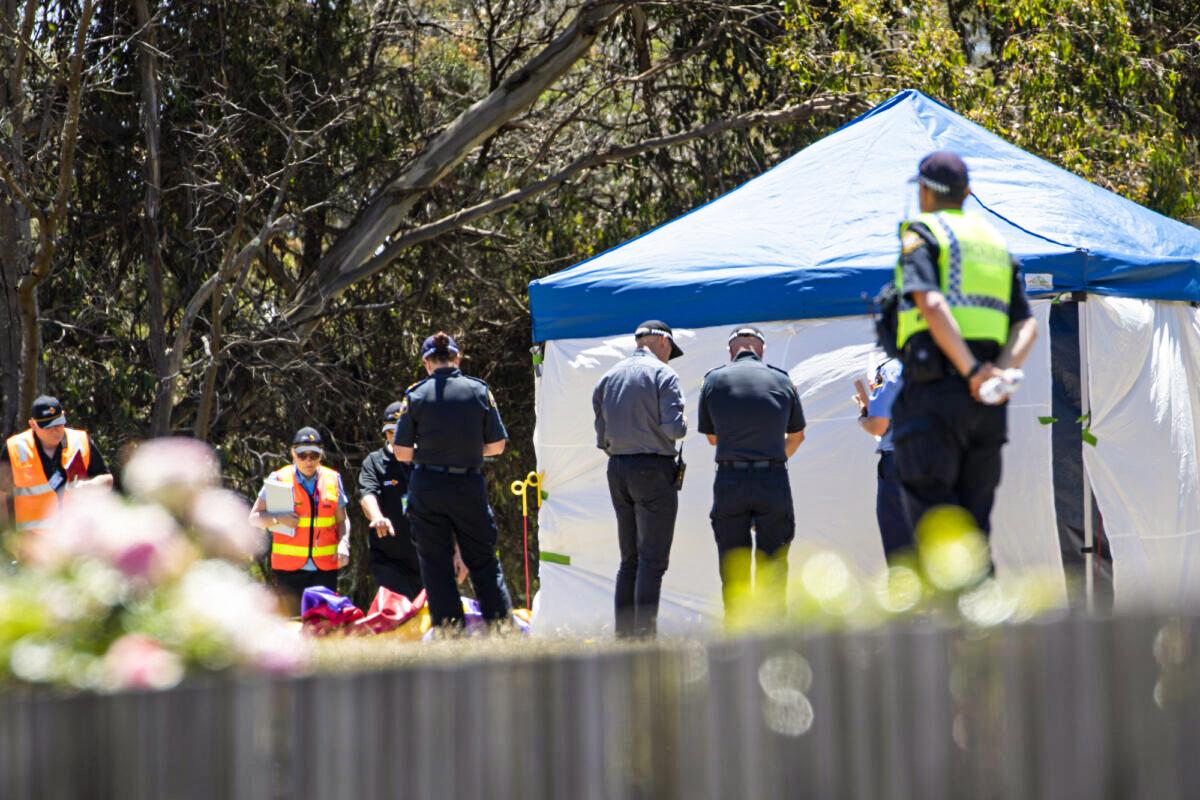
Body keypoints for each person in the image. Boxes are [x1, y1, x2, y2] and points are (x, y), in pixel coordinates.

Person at [890, 151, 1039, 537]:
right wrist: (997, 374)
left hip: (935, 395)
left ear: (925, 192)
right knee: (975, 528)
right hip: (987, 404)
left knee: (937, 531)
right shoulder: (995, 243)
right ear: (966, 192)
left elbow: (931, 303)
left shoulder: (922, 232)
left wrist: (971, 370)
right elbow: (1027, 325)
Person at [392, 332, 513, 629]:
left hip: (428, 486)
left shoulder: (416, 395)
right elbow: (497, 446)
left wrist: (432, 453)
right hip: (467, 485)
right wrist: (464, 451)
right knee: (483, 559)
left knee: (436, 564)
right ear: (457, 358)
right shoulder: (478, 390)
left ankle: (449, 631)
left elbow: (401, 452)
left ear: (427, 363)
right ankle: (500, 628)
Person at [698, 326, 806, 620]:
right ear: (761, 349)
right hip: (772, 479)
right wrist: (770, 456)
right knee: (774, 564)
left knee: (734, 565)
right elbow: (797, 437)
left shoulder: (713, 380)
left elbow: (712, 438)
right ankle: (773, 634)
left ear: (731, 351)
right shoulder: (782, 380)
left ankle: (737, 632)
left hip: (730, 480)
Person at [592, 319, 687, 638]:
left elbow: (601, 437)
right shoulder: (664, 374)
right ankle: (644, 639)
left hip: (618, 470)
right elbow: (674, 429)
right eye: (670, 349)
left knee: (629, 559)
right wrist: (684, 421)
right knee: (652, 560)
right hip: (653, 470)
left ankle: (624, 638)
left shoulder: (608, 377)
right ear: (663, 342)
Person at [358, 401, 467, 600]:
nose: (396, 437)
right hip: (391, 562)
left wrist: (460, 552)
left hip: (434, 559)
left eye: (401, 431)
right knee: (400, 614)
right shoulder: (374, 462)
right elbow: (367, 495)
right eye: (390, 432)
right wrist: (377, 517)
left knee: (438, 616)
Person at [249, 427, 351, 614]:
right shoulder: (279, 478)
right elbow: (254, 518)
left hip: (324, 569)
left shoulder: (332, 479)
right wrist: (278, 518)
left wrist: (343, 543)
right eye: (302, 455)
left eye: (314, 455)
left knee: (323, 625)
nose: (308, 461)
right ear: (293, 453)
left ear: (321, 455)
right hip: (289, 571)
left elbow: (342, 520)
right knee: (290, 625)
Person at [0, 395, 113, 533]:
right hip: (31, 542)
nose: (55, 430)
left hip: (74, 538)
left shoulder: (80, 441)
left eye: (59, 423)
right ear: (33, 425)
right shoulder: (14, 448)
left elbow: (107, 479)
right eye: (48, 426)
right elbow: (2, 498)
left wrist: (91, 485)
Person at [853, 358, 912, 557]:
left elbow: (878, 425)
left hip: (900, 461)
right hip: (943, 457)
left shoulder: (890, 369)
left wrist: (863, 417)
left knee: (901, 548)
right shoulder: (946, 361)